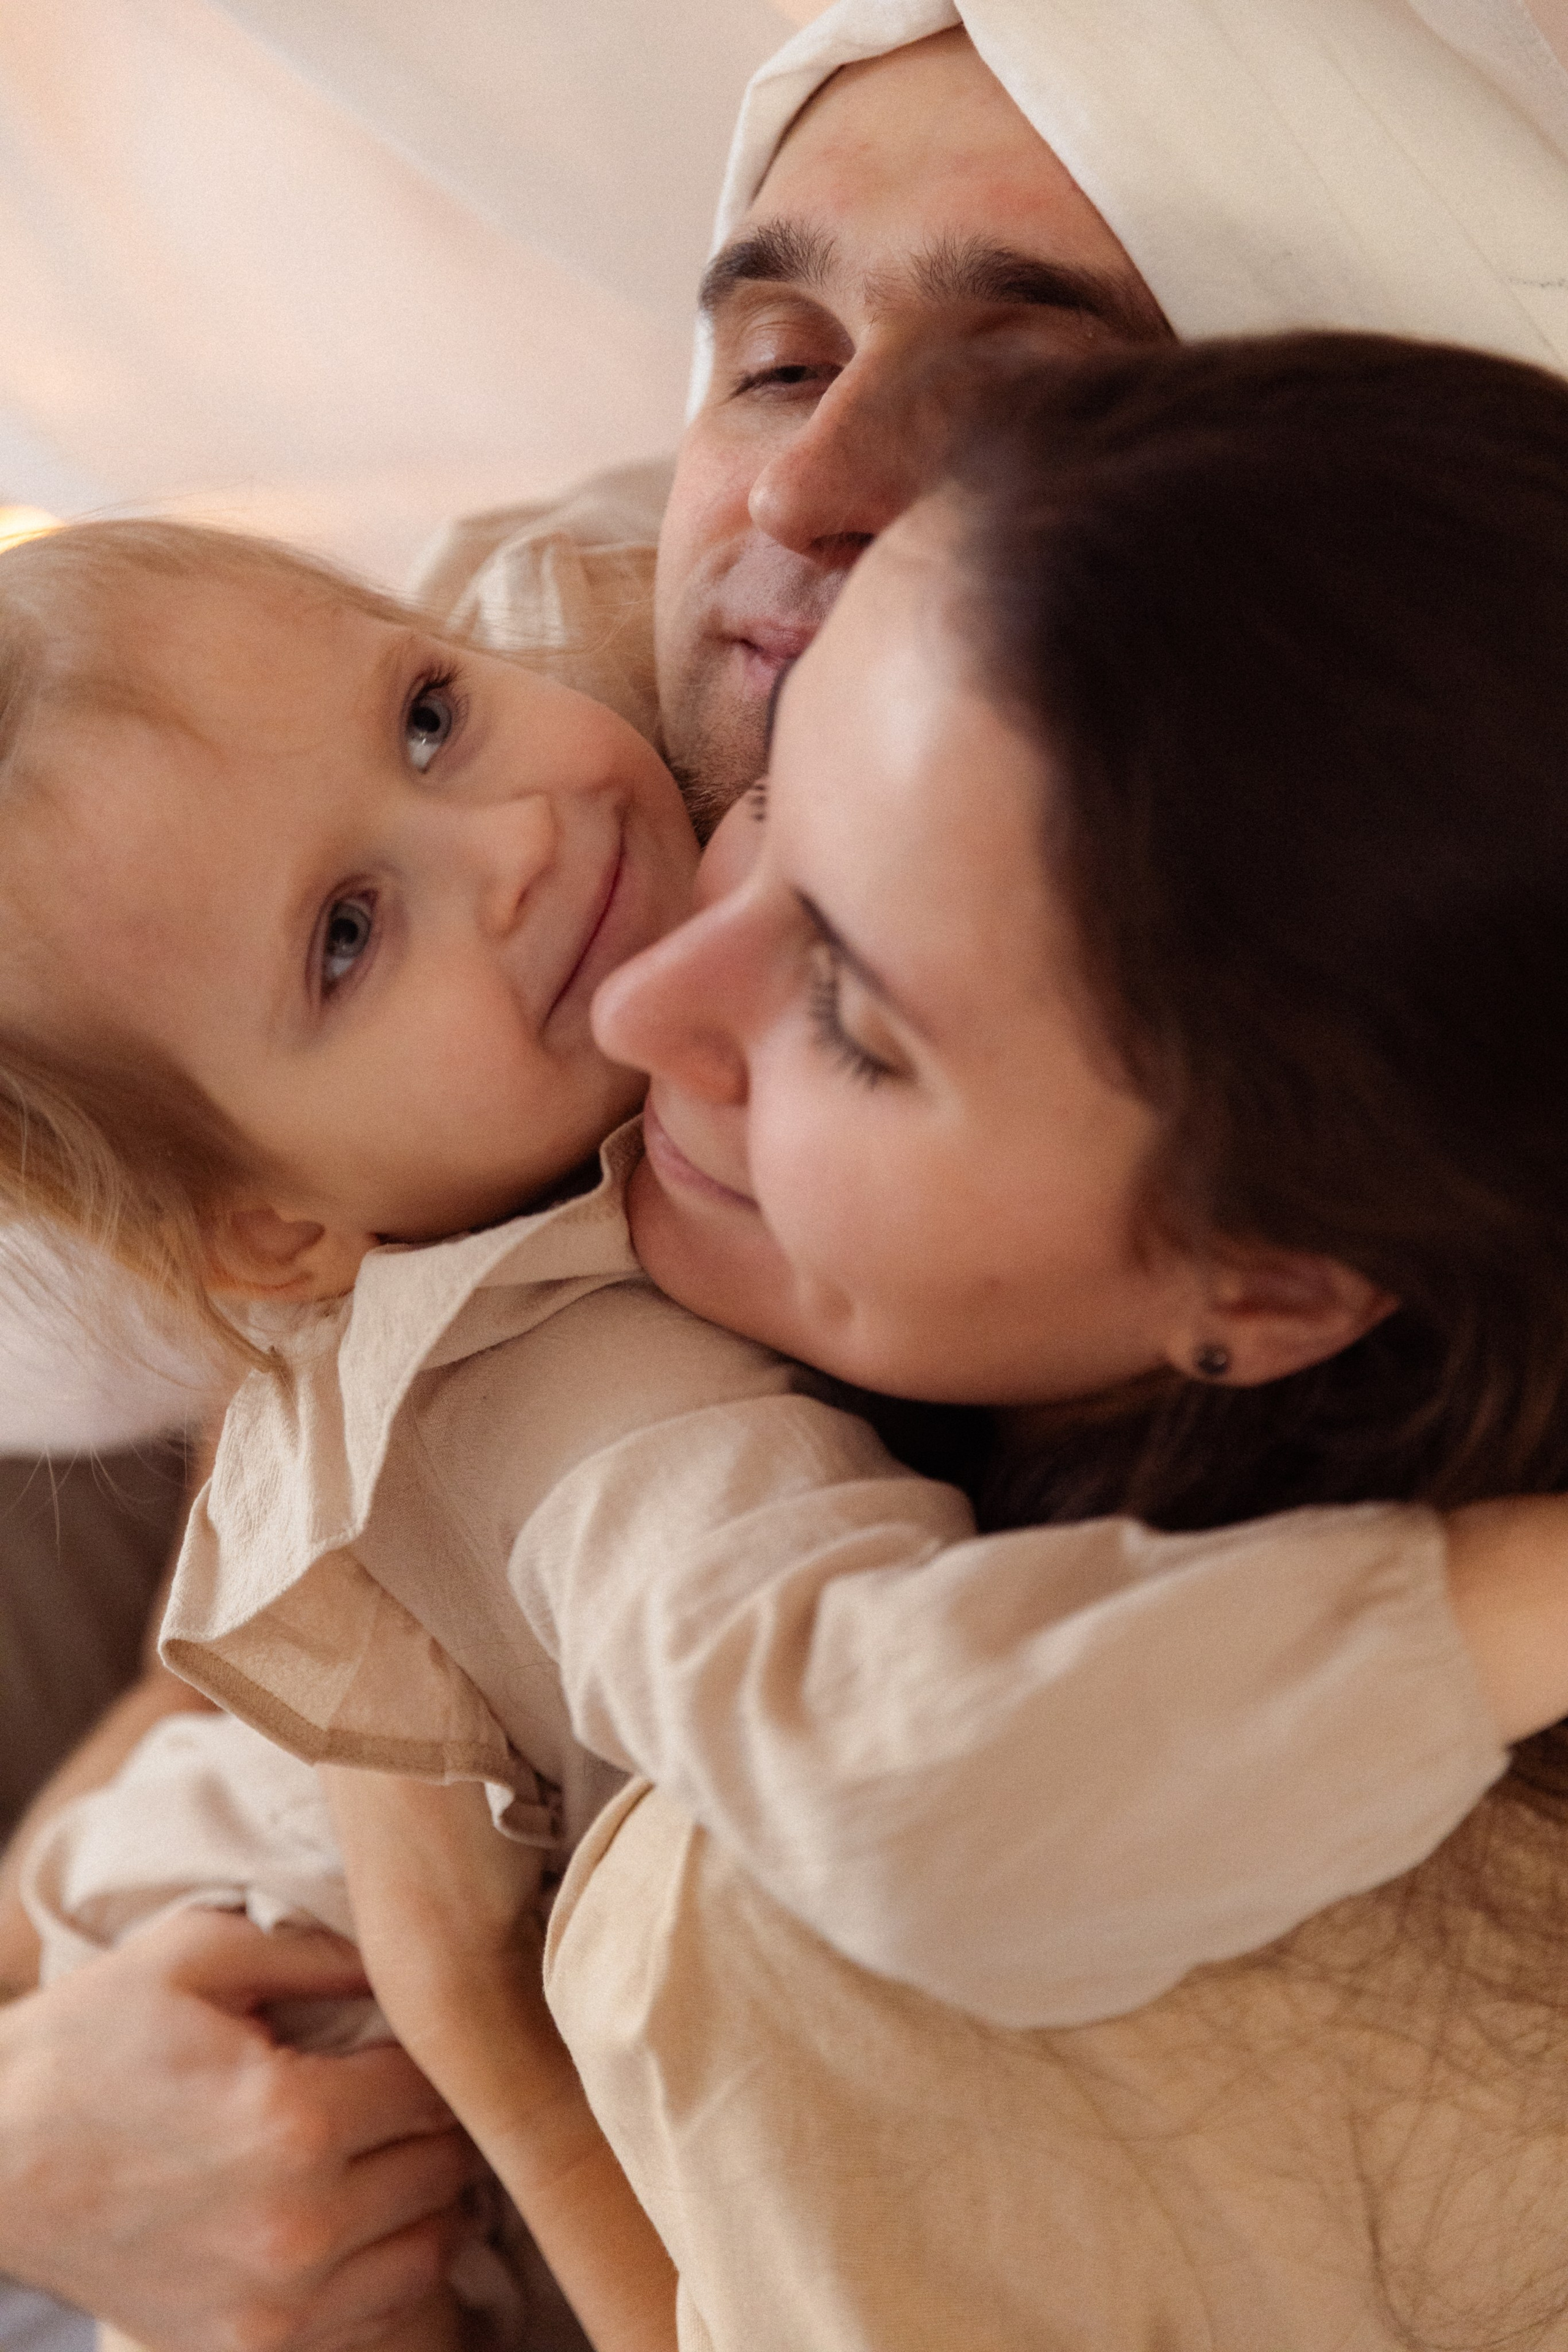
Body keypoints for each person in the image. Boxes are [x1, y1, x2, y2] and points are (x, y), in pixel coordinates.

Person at [4, 1, 1566, 2341]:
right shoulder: (602, 699)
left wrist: (491, 2059)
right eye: (770, 350)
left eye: (1036, 393)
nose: (810, 485)